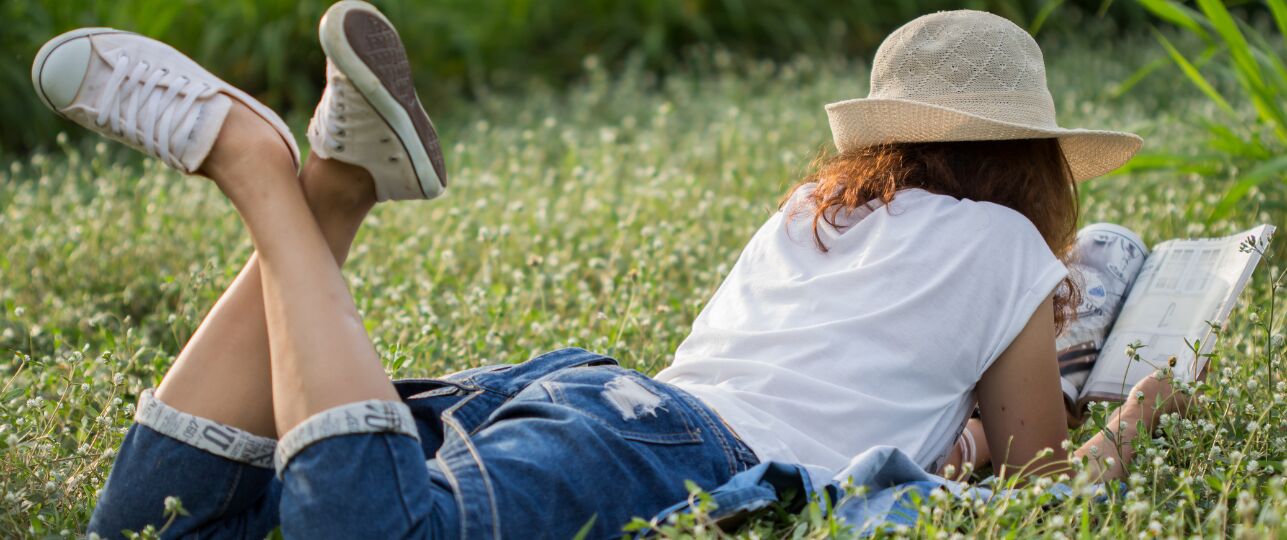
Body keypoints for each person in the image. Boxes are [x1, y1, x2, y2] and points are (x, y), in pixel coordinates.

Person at [30, 4, 1192, 538]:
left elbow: (858, 377)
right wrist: (1131, 413)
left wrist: (962, 439)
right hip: (682, 459)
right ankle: (256, 171)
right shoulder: (1011, 252)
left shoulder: (818, 211)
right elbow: (1046, 479)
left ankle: (334, 196)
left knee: (157, 528)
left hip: (614, 410)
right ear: (1039, 165)